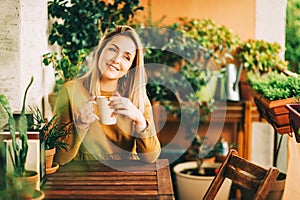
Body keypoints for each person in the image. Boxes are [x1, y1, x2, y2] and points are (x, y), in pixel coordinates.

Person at [53, 25, 161, 165]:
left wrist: (140, 121)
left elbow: (151, 158)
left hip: (126, 177)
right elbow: (59, 159)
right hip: (81, 177)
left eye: (126, 57)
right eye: (112, 49)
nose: (116, 59)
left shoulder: (136, 97)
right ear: (100, 51)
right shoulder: (70, 91)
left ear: (130, 69)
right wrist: (79, 125)